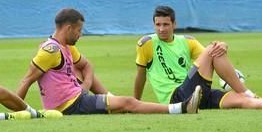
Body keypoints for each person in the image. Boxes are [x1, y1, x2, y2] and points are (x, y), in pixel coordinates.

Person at [16, 8, 201, 115]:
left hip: (78, 97)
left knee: (82, 71)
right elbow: (26, 80)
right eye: (79, 31)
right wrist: (21, 112)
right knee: (129, 102)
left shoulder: (66, 47)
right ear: (69, 28)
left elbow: (87, 66)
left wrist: (85, 86)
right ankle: (180, 108)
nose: (80, 35)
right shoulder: (50, 50)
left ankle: (111, 99)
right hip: (71, 106)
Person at [133, 5, 262, 111]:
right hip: (176, 97)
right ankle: (247, 92)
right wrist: (136, 103)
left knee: (238, 100)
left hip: (197, 94)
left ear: (174, 24)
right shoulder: (146, 43)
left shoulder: (187, 41)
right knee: (214, 48)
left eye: (166, 24)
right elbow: (140, 76)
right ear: (154, 24)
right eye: (158, 24)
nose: (161, 29)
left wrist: (223, 45)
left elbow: (212, 56)